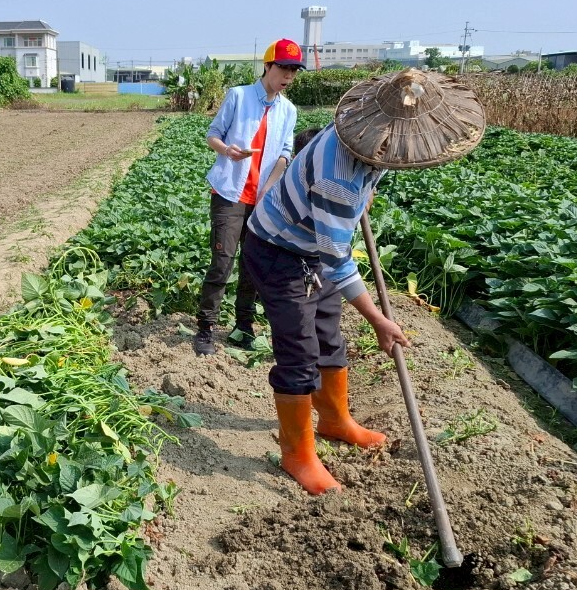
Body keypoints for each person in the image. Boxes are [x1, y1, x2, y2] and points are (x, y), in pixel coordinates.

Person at [243, 69, 486, 495]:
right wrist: (378, 320)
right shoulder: (339, 181)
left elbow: (351, 206)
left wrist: (367, 188)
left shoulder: (369, 134)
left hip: (311, 245)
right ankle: (297, 454)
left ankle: (335, 420)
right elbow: (337, 261)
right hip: (278, 250)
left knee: (328, 335)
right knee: (299, 351)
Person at [193, 38, 303, 357]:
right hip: (229, 192)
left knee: (253, 266)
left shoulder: (288, 110)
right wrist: (227, 150)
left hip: (262, 200)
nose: (288, 76)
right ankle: (205, 328)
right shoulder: (239, 96)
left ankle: (243, 326)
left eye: (294, 70)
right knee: (222, 262)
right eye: (283, 68)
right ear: (267, 66)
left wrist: (270, 186)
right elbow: (213, 134)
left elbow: (285, 152)